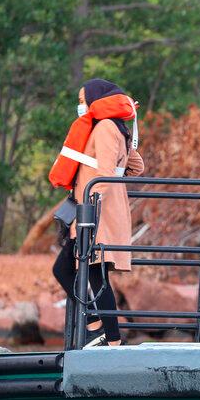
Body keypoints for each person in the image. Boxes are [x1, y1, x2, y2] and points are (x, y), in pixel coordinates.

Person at [51, 78, 144, 346]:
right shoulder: (117, 128)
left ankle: (105, 334)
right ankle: (103, 332)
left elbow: (104, 173)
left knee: (83, 272)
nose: (81, 106)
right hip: (99, 212)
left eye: (83, 100)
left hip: (95, 215)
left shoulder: (104, 128)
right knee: (89, 273)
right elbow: (137, 167)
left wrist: (91, 204)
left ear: (95, 99)